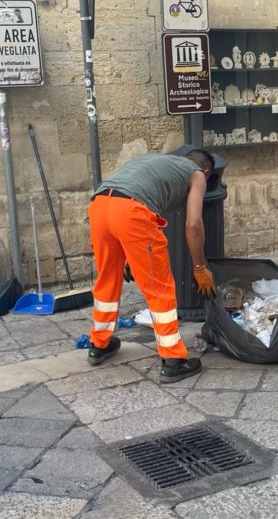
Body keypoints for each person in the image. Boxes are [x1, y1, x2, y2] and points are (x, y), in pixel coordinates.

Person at [86, 150, 217, 383]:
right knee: (159, 287)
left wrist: (129, 255)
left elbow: (124, 198)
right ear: (206, 170)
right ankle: (173, 360)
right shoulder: (197, 174)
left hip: (100, 205)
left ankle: (99, 344)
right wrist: (200, 267)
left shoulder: (153, 160)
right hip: (132, 211)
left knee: (107, 278)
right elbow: (194, 223)